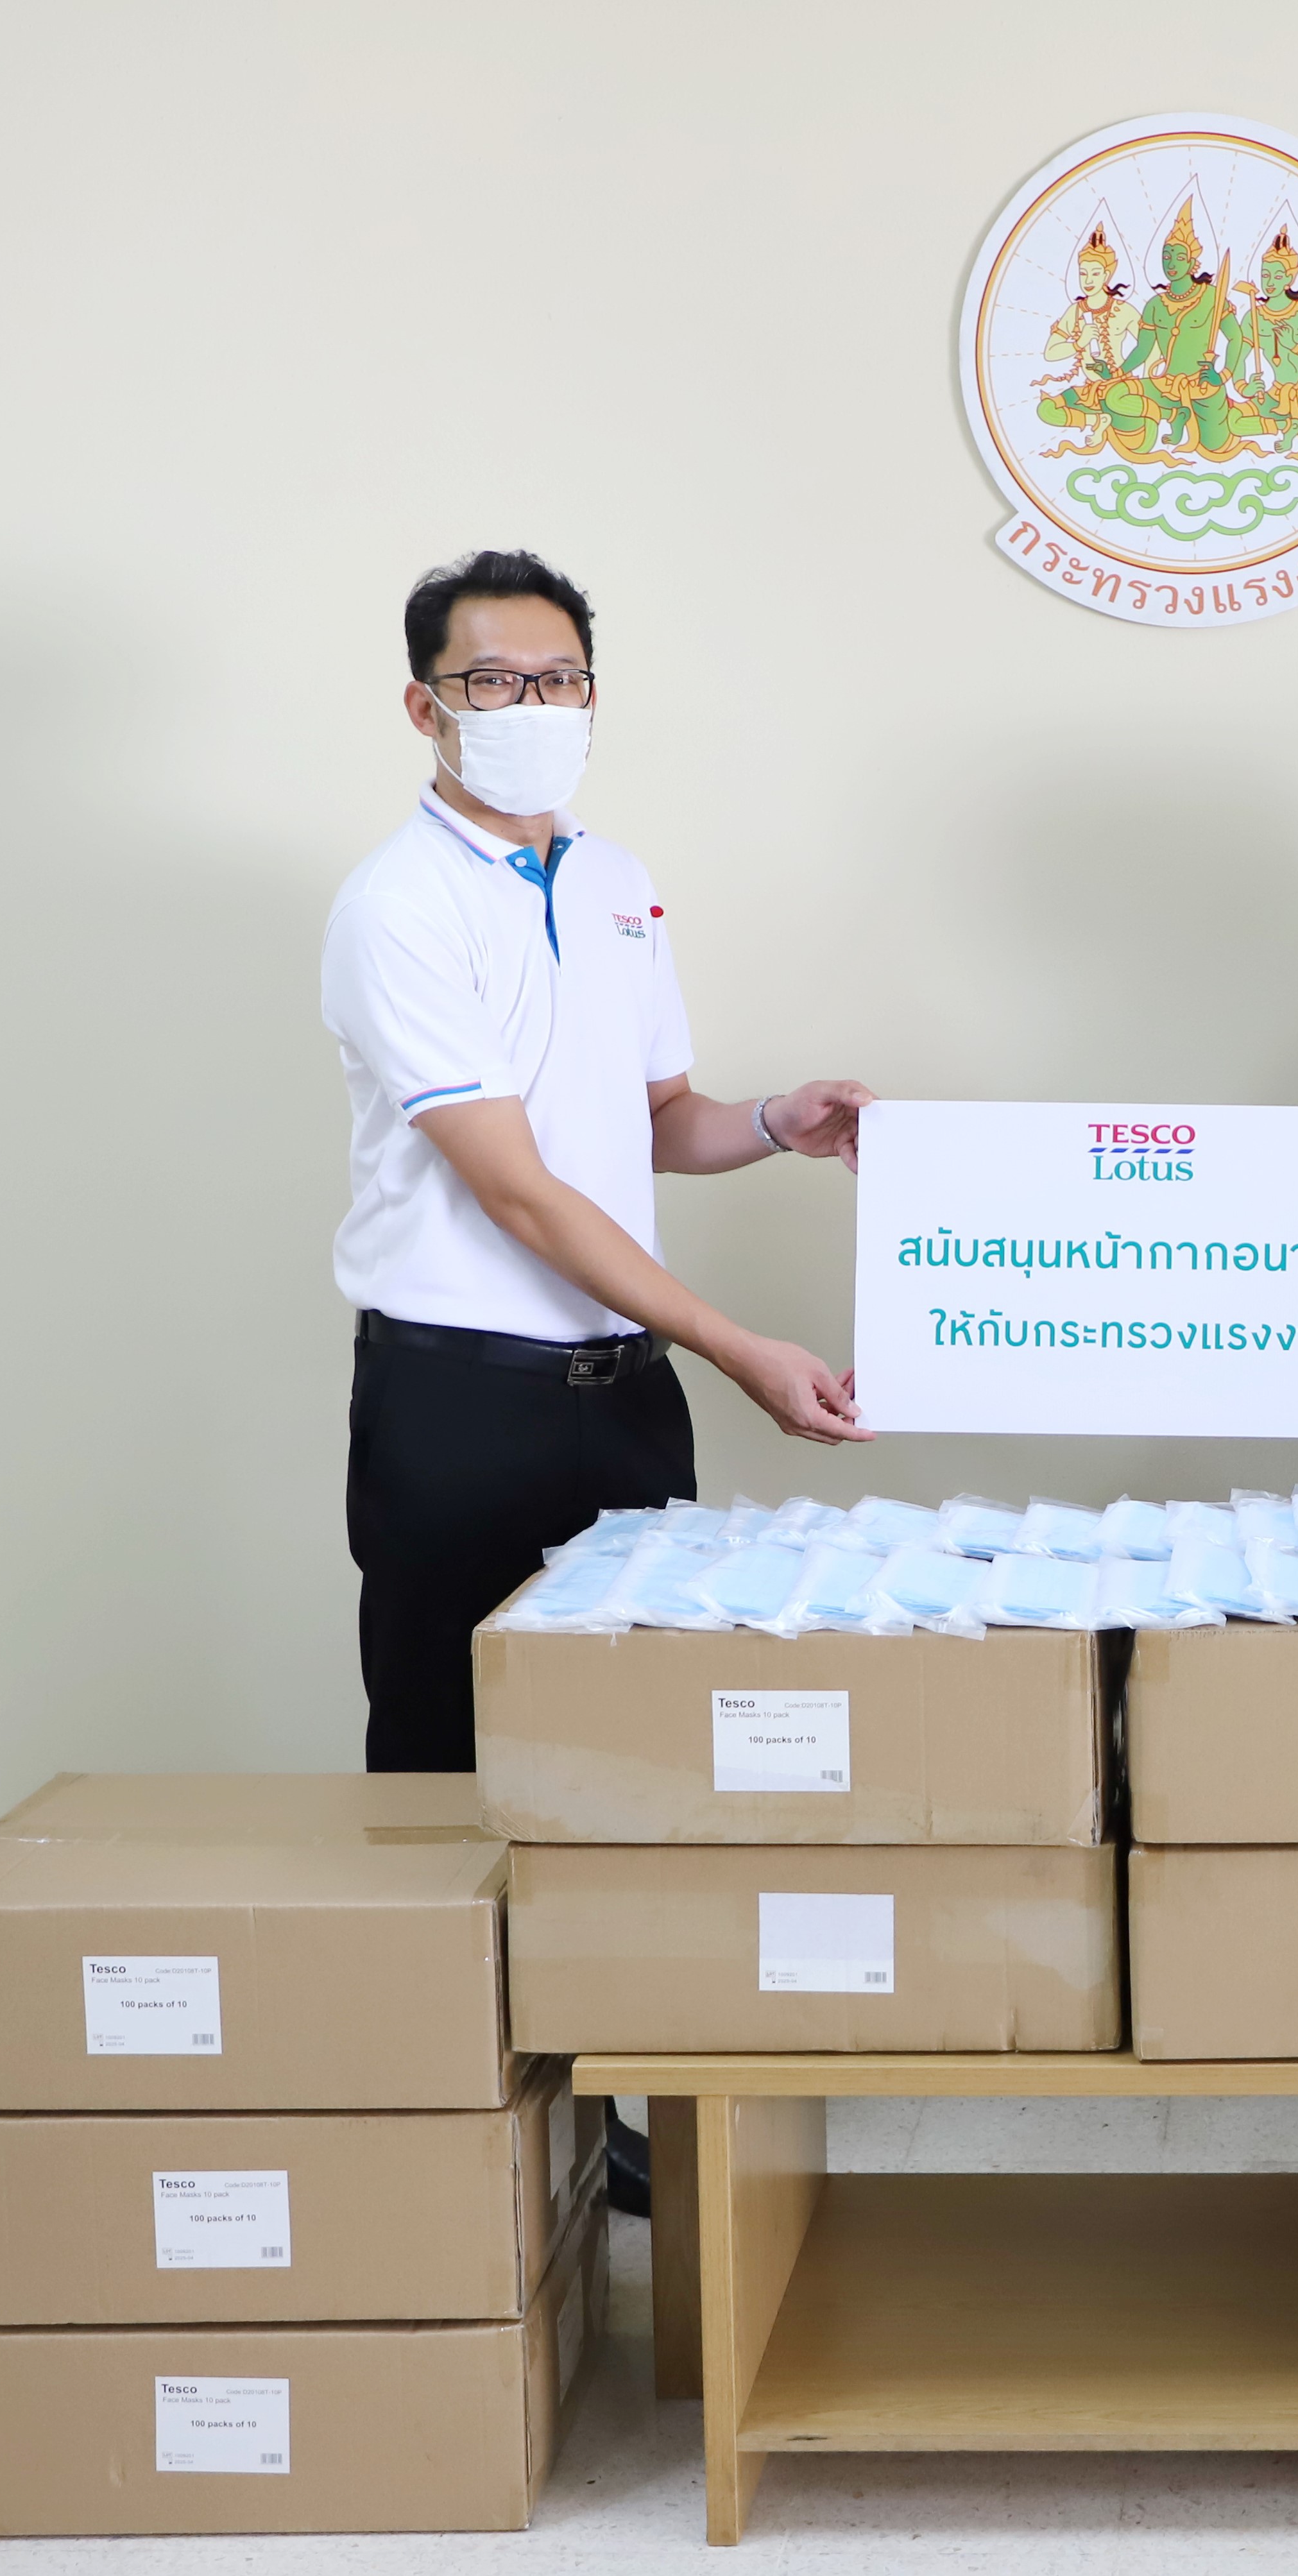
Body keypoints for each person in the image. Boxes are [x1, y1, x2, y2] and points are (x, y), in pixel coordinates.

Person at [321, 549, 871, 2214]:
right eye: (492, 681)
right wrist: (737, 1342)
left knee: (631, 1757)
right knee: (449, 1763)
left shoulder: (618, 879)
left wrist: (774, 1123)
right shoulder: (396, 905)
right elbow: (517, 1191)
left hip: (620, 1393)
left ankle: (611, 2107)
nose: (531, 706)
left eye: (558, 679)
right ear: (422, 705)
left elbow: (647, 1127)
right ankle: (447, 2134)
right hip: (460, 1398)